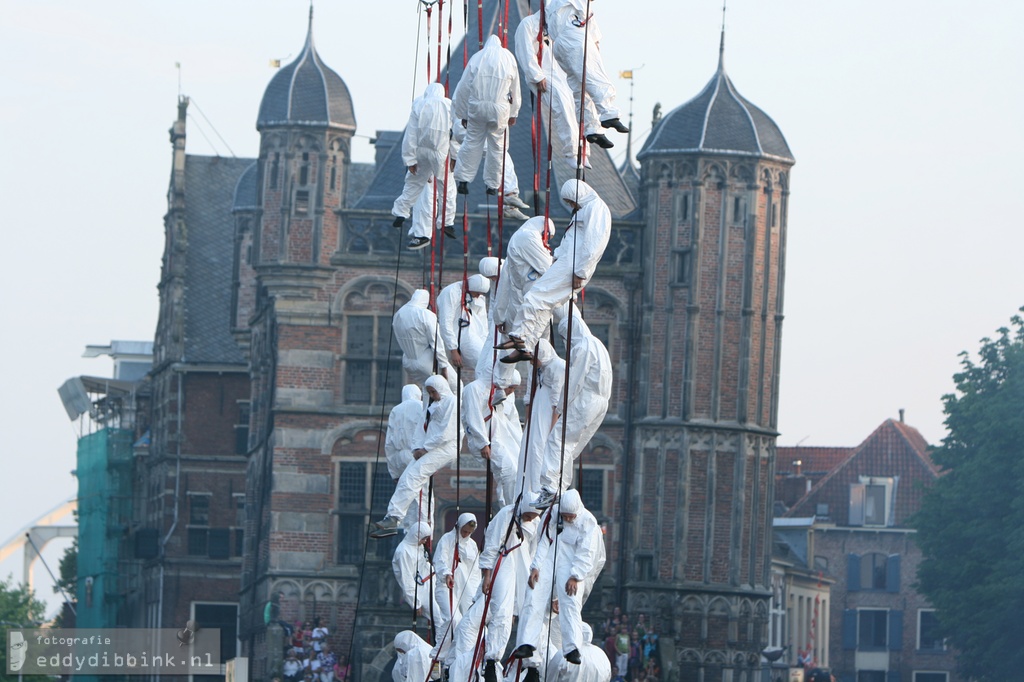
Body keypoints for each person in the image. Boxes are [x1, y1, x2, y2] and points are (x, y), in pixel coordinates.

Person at [500, 179, 612, 364]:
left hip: (572, 265)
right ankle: (526, 344)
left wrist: (580, 271)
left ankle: (519, 337)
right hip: (566, 263)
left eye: (570, 201)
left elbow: (593, 244)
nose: (570, 205)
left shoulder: (596, 208)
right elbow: (573, 241)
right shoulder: (586, 209)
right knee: (545, 305)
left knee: (536, 296)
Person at [449, 502, 542, 682]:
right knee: (500, 613)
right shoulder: (506, 515)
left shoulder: (537, 521)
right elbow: (492, 545)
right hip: (505, 560)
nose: (530, 519)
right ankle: (490, 660)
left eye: (532, 517)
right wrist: (487, 576)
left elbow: (538, 547)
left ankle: (533, 666)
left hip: (526, 564)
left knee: (532, 608)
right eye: (528, 516)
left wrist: (536, 567)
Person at [534, 314, 611, 507]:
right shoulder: (599, 345)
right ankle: (560, 486)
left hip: (587, 400)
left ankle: (551, 488)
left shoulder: (583, 346)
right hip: (601, 402)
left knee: (558, 439)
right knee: (570, 447)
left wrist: (560, 407)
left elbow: (573, 380)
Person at [371, 376, 460, 538]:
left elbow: (446, 433)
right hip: (428, 448)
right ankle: (393, 518)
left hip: (445, 447)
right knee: (408, 479)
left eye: (434, 391)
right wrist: (417, 447)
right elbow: (421, 428)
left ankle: (423, 533)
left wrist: (424, 448)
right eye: (429, 392)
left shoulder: (452, 402)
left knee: (415, 480)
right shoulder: (429, 406)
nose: (432, 395)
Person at [515, 10, 600, 163]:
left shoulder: (560, 22)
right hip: (545, 73)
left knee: (580, 101)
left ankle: (584, 149)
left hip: (560, 71)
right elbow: (525, 51)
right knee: (562, 105)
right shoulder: (527, 25)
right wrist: (536, 75)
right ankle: (571, 151)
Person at [544, 0, 629, 146]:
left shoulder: (563, 6)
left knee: (580, 87)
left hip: (560, 44)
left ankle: (591, 128)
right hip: (574, 38)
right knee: (594, 76)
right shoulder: (576, 3)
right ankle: (608, 113)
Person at [453, 35, 522, 195]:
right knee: (497, 147)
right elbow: (515, 89)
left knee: (471, 143)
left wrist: (463, 114)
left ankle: (463, 180)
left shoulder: (477, 58)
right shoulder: (508, 58)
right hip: (499, 108)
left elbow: (463, 87)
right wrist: (513, 113)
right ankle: (492, 185)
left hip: (477, 107)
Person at [553, 490, 606, 665]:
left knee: (570, 607)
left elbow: (587, 553)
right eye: (565, 516)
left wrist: (576, 576)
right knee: (566, 609)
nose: (567, 520)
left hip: (579, 574)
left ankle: (570, 647)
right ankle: (567, 647)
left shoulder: (588, 523)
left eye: (570, 516)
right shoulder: (561, 523)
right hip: (567, 574)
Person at [392, 83, 453, 230]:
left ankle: (401, 211)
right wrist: (455, 157)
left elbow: (411, 134)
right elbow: (455, 133)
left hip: (421, 152)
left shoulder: (419, 104)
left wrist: (410, 160)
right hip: (440, 152)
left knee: (413, 184)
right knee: (446, 188)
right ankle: (446, 222)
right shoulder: (449, 105)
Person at [492, 216, 556, 336]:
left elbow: (503, 286)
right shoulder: (527, 237)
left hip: (521, 307)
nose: (546, 243)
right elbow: (548, 269)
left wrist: (499, 317)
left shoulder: (516, 246)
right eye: (547, 238)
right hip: (526, 307)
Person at [432, 513, 481, 666]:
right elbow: (439, 559)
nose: (465, 534)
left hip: (466, 587)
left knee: (467, 622)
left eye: (469, 532)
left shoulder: (472, 545)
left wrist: (476, 592)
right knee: (453, 619)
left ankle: (456, 657)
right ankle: (438, 654)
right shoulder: (447, 539)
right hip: (446, 586)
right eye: (464, 531)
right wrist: (446, 573)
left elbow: (475, 571)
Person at [392, 289, 453, 390]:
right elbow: (436, 342)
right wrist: (443, 366)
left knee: (428, 388)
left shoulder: (398, 314)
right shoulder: (425, 314)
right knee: (454, 386)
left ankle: (427, 406)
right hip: (425, 360)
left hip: (407, 361)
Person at [436, 274, 491, 374]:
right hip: (459, 335)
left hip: (474, 331)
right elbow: (446, 322)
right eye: (477, 293)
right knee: (485, 365)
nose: (478, 296)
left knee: (490, 361)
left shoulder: (479, 297)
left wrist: (486, 342)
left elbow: (483, 322)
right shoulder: (451, 292)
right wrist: (453, 349)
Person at [392, 521, 439, 618]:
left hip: (431, 584)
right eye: (424, 538)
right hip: (421, 589)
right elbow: (406, 578)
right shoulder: (403, 551)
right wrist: (415, 603)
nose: (425, 541)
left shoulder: (418, 546)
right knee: (437, 618)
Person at [385, 384, 423, 480]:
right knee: (422, 490)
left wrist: (394, 473)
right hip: (418, 455)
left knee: (404, 489)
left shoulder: (396, 410)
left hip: (400, 457)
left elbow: (389, 443)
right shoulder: (423, 406)